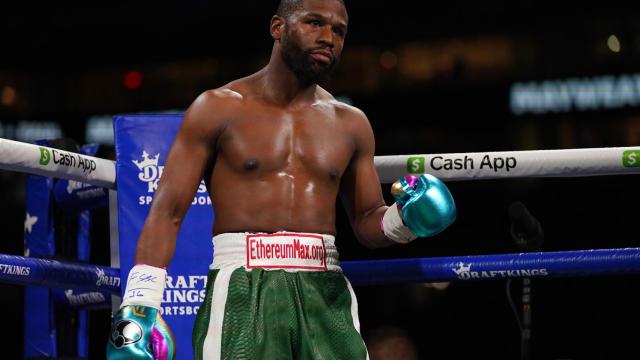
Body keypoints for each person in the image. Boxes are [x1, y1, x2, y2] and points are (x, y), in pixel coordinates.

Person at [106, 0, 456, 359]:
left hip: (325, 288)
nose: (328, 38)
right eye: (314, 23)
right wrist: (139, 306)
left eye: (339, 31)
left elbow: (367, 221)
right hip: (243, 287)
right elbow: (168, 211)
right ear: (278, 27)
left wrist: (406, 220)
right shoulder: (217, 108)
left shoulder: (351, 124)